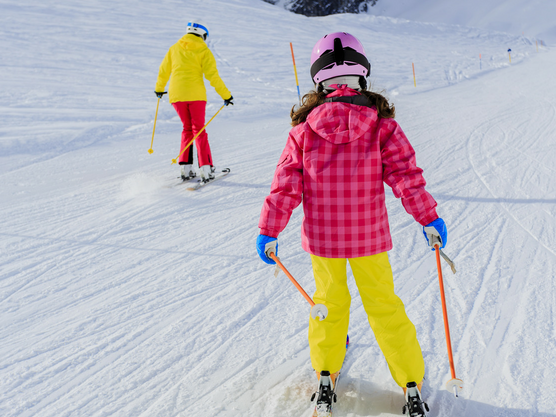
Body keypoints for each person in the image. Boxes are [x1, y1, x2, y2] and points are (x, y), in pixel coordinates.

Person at [256, 32, 447, 415]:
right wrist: (429, 218)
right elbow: (406, 177)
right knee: (384, 305)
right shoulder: (381, 126)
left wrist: (269, 229)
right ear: (362, 76)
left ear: (318, 82)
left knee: (328, 303)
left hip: (324, 243)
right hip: (369, 240)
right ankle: (410, 381)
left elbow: (285, 186)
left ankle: (325, 373)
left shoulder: (304, 131)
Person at [155, 20, 233, 182]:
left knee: (187, 129)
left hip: (176, 96)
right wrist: (226, 95)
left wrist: (159, 89)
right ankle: (206, 169)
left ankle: (186, 168)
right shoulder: (204, 50)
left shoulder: (174, 48)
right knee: (199, 130)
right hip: (196, 95)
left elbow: (164, 71)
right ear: (202, 35)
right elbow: (213, 76)